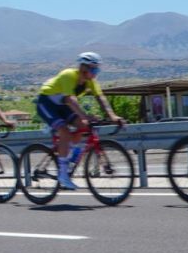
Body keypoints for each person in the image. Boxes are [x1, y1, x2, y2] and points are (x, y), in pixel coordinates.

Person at [36, 52, 125, 190]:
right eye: (93, 69)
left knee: (83, 126)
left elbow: (101, 98)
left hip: (62, 106)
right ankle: (63, 175)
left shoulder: (90, 81)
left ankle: (67, 151)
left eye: (97, 69)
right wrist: (85, 115)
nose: (96, 72)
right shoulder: (68, 75)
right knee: (65, 131)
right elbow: (70, 99)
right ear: (84, 68)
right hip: (47, 103)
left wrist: (113, 116)